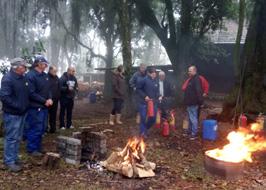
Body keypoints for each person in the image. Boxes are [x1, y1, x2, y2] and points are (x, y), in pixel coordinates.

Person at [0, 58, 30, 172]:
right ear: (17, 67)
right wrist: (19, 106)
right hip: (12, 114)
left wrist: (25, 106)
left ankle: (14, 157)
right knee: (11, 137)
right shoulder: (8, 79)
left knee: (17, 137)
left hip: (22, 113)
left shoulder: (23, 78)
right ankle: (9, 161)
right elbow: (5, 97)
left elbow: (26, 94)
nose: (25, 68)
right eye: (24, 67)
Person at [25, 55, 53, 156]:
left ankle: (38, 147)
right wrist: (44, 101)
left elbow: (48, 89)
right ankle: (32, 149)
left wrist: (49, 98)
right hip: (35, 107)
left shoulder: (45, 75)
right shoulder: (30, 76)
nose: (46, 65)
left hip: (44, 107)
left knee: (42, 128)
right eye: (44, 64)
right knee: (34, 128)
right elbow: (31, 93)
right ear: (38, 64)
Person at [137, 67, 162, 137]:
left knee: (153, 119)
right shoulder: (143, 80)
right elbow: (138, 89)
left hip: (153, 103)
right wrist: (145, 96)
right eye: (152, 73)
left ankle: (145, 129)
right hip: (143, 103)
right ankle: (142, 133)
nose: (154, 74)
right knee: (143, 118)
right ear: (148, 73)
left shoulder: (157, 82)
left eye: (155, 73)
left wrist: (159, 95)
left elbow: (157, 92)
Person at [182, 65, 203, 140]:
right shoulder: (191, 79)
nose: (188, 72)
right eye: (188, 71)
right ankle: (190, 131)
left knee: (193, 118)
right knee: (190, 118)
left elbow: (199, 91)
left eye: (190, 71)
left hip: (193, 102)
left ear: (194, 71)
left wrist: (200, 101)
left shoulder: (196, 79)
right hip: (189, 102)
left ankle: (194, 133)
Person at [48, 66, 60, 133]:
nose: (55, 72)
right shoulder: (46, 77)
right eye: (54, 71)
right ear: (50, 70)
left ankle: (53, 128)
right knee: (46, 115)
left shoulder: (56, 78)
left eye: (56, 71)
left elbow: (59, 87)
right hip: (48, 100)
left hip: (55, 100)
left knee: (53, 114)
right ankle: (45, 128)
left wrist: (58, 96)